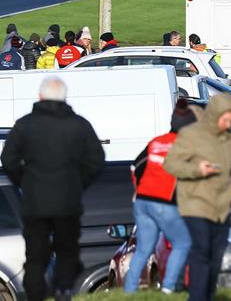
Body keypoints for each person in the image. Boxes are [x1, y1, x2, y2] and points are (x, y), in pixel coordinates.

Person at [0, 77, 105, 301]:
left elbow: (8, 160)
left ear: (40, 96)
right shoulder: (78, 124)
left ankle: (35, 295)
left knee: (35, 256)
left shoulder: (25, 125)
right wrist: (78, 183)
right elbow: (96, 160)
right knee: (67, 252)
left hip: (35, 201)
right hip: (67, 201)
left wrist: (24, 182)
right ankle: (63, 292)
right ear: (64, 97)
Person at [164, 93, 231, 301]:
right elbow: (171, 164)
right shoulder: (192, 134)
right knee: (201, 253)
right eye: (225, 119)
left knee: (216, 258)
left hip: (222, 206)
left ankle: (207, 295)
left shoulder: (230, 139)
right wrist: (197, 169)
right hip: (196, 204)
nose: (227, 124)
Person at [124, 100, 197, 294]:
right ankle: (168, 289)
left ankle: (129, 291)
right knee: (183, 243)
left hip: (142, 200)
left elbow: (134, 167)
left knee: (143, 249)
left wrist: (138, 189)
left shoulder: (156, 142)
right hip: (164, 201)